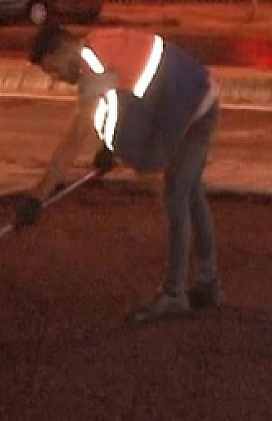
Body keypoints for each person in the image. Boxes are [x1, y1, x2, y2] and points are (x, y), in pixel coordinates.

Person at [21, 22, 223, 322]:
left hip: (192, 110)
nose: (56, 79)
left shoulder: (92, 67)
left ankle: (174, 294)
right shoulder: (100, 43)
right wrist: (112, 149)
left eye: (53, 70)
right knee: (191, 195)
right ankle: (208, 283)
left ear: (62, 50)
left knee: (176, 195)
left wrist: (37, 197)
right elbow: (129, 94)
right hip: (199, 95)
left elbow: (73, 140)